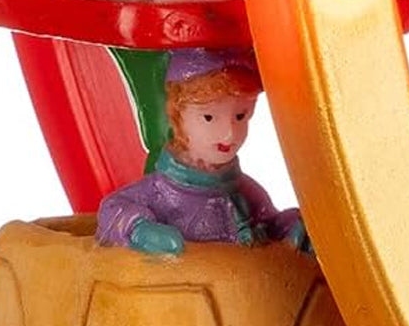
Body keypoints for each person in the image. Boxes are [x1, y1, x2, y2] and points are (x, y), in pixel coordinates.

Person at [96, 48, 308, 255]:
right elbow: (113, 208)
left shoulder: (247, 194)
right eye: (208, 117)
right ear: (177, 116)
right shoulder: (160, 193)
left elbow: (271, 224)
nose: (229, 134)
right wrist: (137, 229)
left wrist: (291, 226)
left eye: (240, 116)